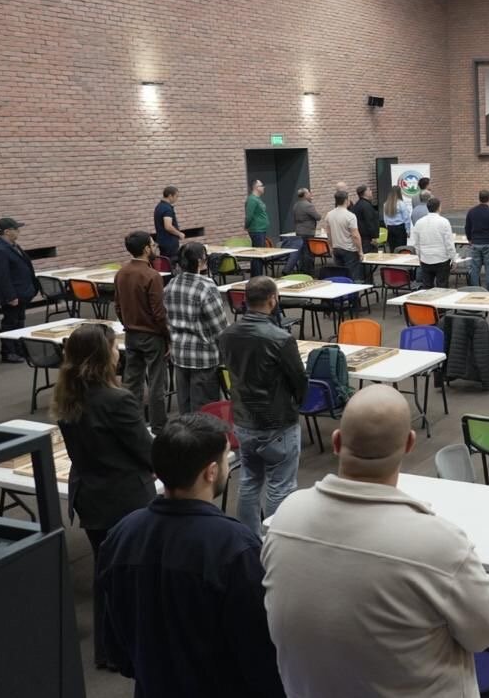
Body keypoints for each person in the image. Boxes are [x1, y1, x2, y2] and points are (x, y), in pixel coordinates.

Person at [262, 385, 489, 698]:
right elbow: (483, 634)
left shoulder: (285, 518)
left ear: (337, 441)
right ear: (410, 444)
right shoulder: (440, 545)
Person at [97, 414, 286, 697]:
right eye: (226, 457)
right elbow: (259, 652)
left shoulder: (120, 536)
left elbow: (116, 645)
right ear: (211, 472)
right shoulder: (234, 547)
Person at [51, 323, 155, 671]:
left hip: (90, 495)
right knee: (131, 576)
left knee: (105, 572)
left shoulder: (67, 396)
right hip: (123, 498)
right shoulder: (117, 400)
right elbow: (146, 452)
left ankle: (107, 650)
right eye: (113, 347)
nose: (117, 352)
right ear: (101, 355)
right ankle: (127, 649)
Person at [218, 276, 308, 534]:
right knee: (281, 486)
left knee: (249, 481)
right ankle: (275, 539)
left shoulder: (227, 335)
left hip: (243, 419)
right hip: (277, 421)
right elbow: (298, 379)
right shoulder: (281, 338)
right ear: (272, 299)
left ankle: (250, 537)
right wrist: (297, 403)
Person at [164, 242, 230, 414]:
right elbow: (220, 327)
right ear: (200, 261)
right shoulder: (206, 287)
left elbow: (165, 318)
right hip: (204, 356)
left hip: (179, 354)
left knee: (185, 409)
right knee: (204, 412)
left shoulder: (171, 285)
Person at [115, 231, 170, 433]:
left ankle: (133, 425)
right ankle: (158, 427)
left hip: (131, 334)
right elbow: (159, 313)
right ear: (146, 249)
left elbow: (118, 306)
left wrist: (128, 324)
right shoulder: (152, 276)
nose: (155, 247)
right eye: (153, 244)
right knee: (156, 383)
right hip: (152, 336)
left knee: (132, 382)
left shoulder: (121, 273)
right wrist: (167, 337)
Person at [0, 217, 38, 363]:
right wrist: (10, 296)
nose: (19, 231)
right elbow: (2, 276)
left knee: (19, 321)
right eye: (16, 229)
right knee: (10, 323)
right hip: (11, 295)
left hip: (21, 293)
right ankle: (8, 352)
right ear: (7, 231)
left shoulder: (12, 245)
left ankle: (19, 349)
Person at [411, 196, 457, 288]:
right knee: (442, 287)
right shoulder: (444, 222)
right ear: (439, 207)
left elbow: (416, 243)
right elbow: (449, 243)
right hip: (441, 259)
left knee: (427, 287)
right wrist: (454, 259)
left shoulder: (419, 223)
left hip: (425, 259)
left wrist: (420, 256)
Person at [464, 190, 489, 292]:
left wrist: (470, 240)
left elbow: (467, 228)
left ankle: (475, 292)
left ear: (479, 198)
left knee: (474, 270)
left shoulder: (471, 212)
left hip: (475, 244)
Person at [326, 189, 363, 283]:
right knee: (352, 276)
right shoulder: (350, 216)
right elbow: (355, 235)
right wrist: (360, 251)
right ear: (346, 200)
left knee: (340, 275)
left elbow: (329, 233)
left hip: (336, 248)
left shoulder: (329, 214)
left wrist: (331, 247)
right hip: (349, 250)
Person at [286, 187, 321, 274]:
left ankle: (302, 269)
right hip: (308, 232)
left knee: (302, 252)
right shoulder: (308, 205)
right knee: (308, 252)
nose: (310, 194)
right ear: (305, 195)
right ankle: (309, 271)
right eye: (309, 193)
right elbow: (318, 217)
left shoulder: (296, 205)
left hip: (299, 231)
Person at [244, 179, 270, 276]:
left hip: (261, 229)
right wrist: (246, 226)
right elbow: (249, 216)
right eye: (261, 185)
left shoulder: (258, 199)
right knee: (258, 255)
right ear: (256, 187)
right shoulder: (252, 200)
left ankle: (258, 275)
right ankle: (257, 276)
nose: (263, 187)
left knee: (259, 255)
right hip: (256, 230)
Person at [154, 186, 183, 261]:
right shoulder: (167, 209)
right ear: (170, 196)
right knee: (170, 264)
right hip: (169, 244)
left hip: (162, 242)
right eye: (176, 196)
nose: (177, 199)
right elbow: (168, 226)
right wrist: (179, 234)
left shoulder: (159, 206)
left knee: (165, 262)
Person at [352, 185, 381, 262]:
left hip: (361, 237)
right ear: (365, 193)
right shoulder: (366, 206)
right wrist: (374, 237)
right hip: (367, 239)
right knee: (369, 260)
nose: (371, 192)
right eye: (369, 190)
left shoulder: (357, 205)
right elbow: (370, 222)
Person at [382, 185, 411, 252]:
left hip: (390, 228)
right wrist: (408, 230)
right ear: (399, 193)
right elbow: (406, 218)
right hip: (400, 229)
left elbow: (385, 219)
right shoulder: (401, 204)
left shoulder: (386, 204)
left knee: (392, 249)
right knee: (401, 249)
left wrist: (388, 227)